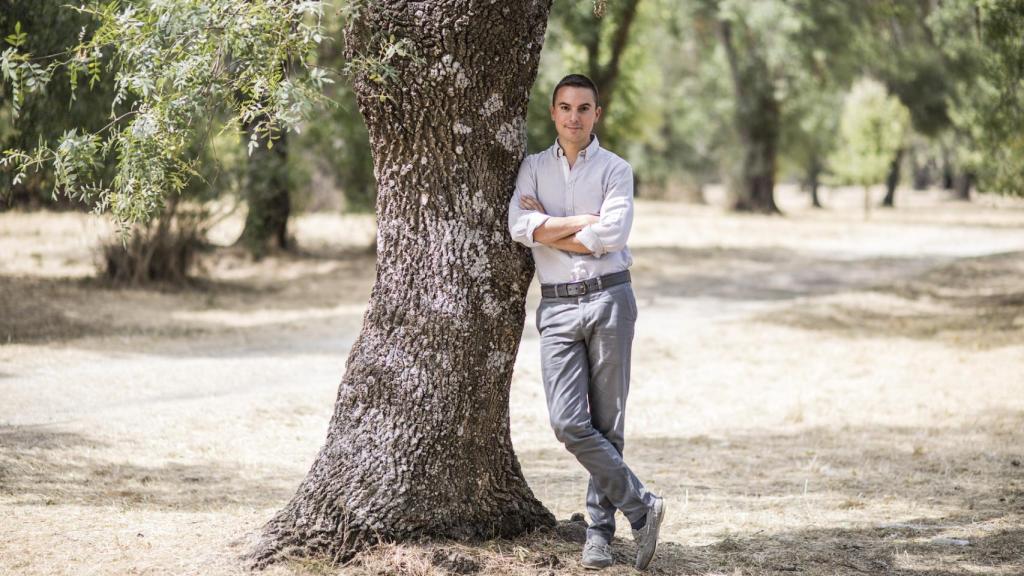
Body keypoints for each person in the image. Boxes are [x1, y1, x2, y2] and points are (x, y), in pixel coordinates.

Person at [507, 73, 665, 571]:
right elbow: (518, 226)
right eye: (565, 107)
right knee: (569, 423)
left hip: (611, 299)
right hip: (555, 305)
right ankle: (642, 506)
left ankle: (599, 533)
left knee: (607, 423)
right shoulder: (532, 168)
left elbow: (612, 234)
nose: (574, 116)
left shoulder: (617, 170)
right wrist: (583, 221)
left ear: (597, 114)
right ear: (553, 113)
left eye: (584, 108)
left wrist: (550, 223)